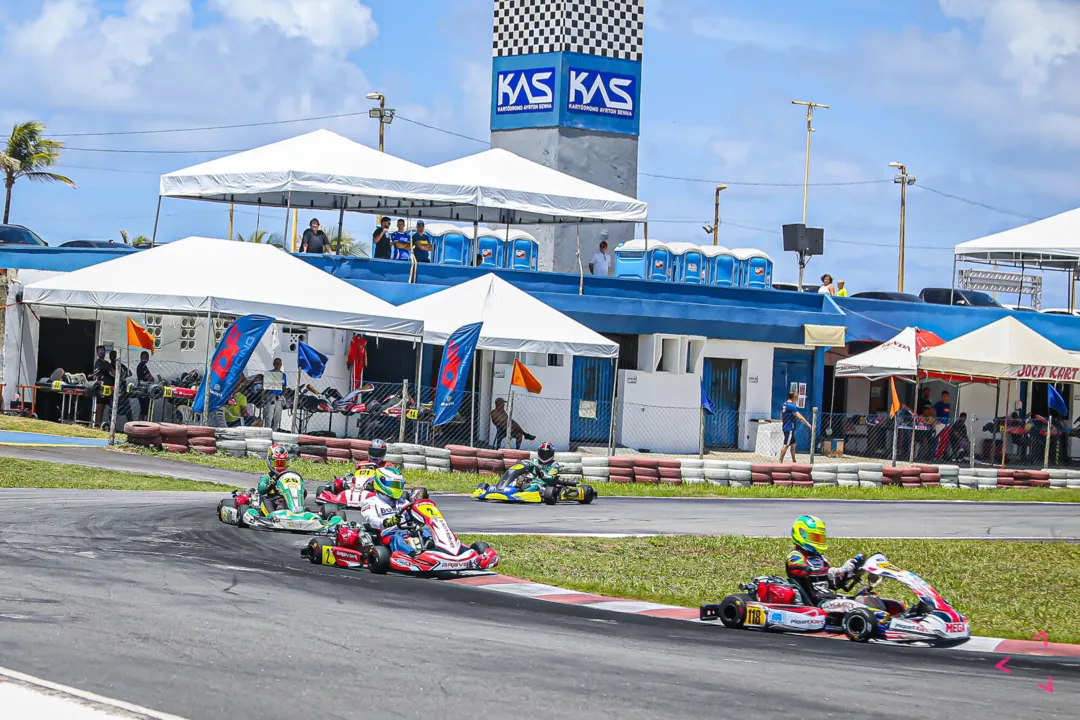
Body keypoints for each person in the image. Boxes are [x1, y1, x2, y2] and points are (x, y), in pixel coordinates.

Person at [785, 515, 864, 606]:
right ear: (801, 534)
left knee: (864, 599)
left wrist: (849, 573)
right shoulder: (795, 557)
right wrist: (836, 571)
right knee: (852, 606)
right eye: (814, 537)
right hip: (813, 603)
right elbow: (808, 573)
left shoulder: (820, 558)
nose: (818, 541)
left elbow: (833, 584)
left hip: (827, 598)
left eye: (819, 538)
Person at [357, 465, 415, 555]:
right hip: (387, 536)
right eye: (394, 485)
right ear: (381, 482)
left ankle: (437, 552)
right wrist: (387, 522)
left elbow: (412, 517)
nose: (398, 488)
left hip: (406, 533)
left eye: (399, 485)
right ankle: (413, 555)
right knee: (397, 538)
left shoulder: (403, 502)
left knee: (425, 533)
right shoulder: (370, 502)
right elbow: (371, 519)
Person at [255, 444, 291, 514]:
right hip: (271, 502)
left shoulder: (289, 476)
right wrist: (271, 485)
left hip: (286, 502)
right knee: (266, 501)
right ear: (270, 461)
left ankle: (298, 513)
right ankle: (273, 516)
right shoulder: (266, 477)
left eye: (282, 463)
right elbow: (261, 490)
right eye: (277, 463)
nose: (280, 466)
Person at [779, 391, 811, 463]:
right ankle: (780, 461)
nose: (797, 398)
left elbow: (781, 416)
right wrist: (808, 423)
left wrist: (784, 422)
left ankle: (794, 460)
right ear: (793, 397)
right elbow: (799, 417)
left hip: (785, 427)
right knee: (786, 444)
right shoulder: (792, 406)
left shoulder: (783, 405)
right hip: (790, 428)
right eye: (796, 396)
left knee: (793, 444)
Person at [263, 358, 287, 431]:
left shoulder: (283, 375)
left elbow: (284, 386)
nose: (278, 365)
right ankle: (267, 431)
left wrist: (283, 392)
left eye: (279, 364)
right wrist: (263, 398)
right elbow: (264, 387)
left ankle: (275, 431)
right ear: (273, 364)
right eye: (276, 363)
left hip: (279, 396)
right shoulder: (269, 373)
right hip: (270, 395)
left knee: (277, 416)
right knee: (269, 416)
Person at [92, 345, 114, 427]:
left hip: (109, 389)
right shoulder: (98, 362)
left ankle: (103, 424)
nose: (102, 353)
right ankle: (97, 424)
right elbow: (96, 373)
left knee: (105, 407)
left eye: (103, 351)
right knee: (100, 407)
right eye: (100, 352)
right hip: (101, 388)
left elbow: (113, 372)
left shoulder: (107, 363)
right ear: (97, 353)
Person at [135, 350, 154, 420]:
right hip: (142, 389)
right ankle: (141, 422)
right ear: (141, 357)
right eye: (145, 357)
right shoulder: (141, 366)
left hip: (146, 389)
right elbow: (149, 377)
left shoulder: (144, 366)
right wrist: (150, 378)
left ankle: (144, 422)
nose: (146, 359)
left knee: (146, 408)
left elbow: (151, 378)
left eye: (147, 357)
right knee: (144, 408)